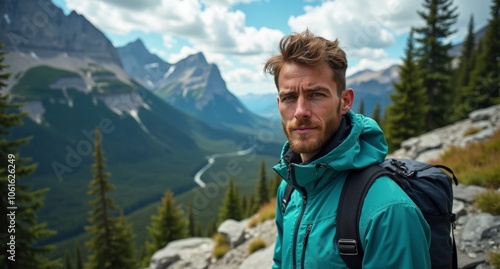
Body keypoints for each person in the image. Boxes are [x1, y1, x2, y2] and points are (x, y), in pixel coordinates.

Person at [264, 29, 431, 269]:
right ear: (279, 104)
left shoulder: (388, 212)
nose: (300, 111)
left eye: (316, 95)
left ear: (345, 102)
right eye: (289, 98)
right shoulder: (290, 187)